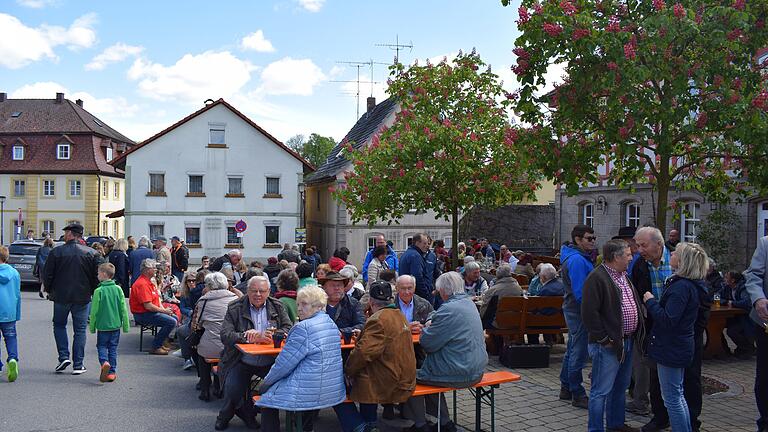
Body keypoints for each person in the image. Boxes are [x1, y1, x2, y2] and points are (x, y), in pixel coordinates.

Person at [635, 228, 710, 432]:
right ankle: (663, 419)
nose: (639, 249)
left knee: (677, 394)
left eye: (643, 245)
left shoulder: (682, 286)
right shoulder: (642, 265)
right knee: (671, 391)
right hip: (665, 337)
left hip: (675, 340)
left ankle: (689, 424)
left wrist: (650, 302)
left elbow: (669, 318)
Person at [256, 285, 354, 432]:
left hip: (310, 389)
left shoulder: (303, 328)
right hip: (331, 388)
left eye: (304, 304)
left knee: (267, 398)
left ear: (318, 306)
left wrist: (267, 382)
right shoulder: (331, 324)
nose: (299, 309)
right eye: (298, 304)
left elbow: (284, 364)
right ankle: (306, 428)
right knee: (302, 388)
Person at [403, 272, 488, 432]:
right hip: (476, 368)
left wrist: (426, 328)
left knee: (408, 377)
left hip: (460, 371)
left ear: (444, 290)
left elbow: (428, 344)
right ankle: (445, 422)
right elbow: (443, 317)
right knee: (430, 373)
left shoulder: (449, 309)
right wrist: (432, 320)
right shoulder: (467, 303)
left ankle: (421, 425)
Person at [581, 240, 643, 432]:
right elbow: (589, 313)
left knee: (620, 387)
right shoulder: (597, 278)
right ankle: (596, 429)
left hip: (626, 341)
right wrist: (603, 339)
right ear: (616, 257)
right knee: (601, 391)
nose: (631, 257)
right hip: (608, 345)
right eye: (628, 254)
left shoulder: (623, 275)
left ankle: (616, 425)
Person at [216, 276, 292, 431]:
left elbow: (288, 329)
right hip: (240, 360)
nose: (258, 294)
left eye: (262, 291)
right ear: (247, 291)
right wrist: (247, 336)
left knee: (275, 388)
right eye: (254, 290)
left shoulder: (277, 305)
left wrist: (272, 335)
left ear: (269, 291)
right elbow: (225, 335)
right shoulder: (235, 307)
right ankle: (225, 416)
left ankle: (266, 422)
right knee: (233, 390)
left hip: (270, 360)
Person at [346, 281, 417, 431]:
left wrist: (348, 371)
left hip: (393, 381)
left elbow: (363, 354)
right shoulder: (399, 315)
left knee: (360, 378)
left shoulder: (378, 319)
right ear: (390, 299)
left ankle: (369, 425)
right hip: (405, 377)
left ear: (371, 301)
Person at [43, 223, 99, 375]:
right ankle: (78, 364)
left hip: (61, 295)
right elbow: (96, 277)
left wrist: (49, 290)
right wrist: (92, 291)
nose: (65, 235)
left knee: (59, 325)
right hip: (82, 296)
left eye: (66, 232)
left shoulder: (56, 252)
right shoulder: (91, 253)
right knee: (80, 330)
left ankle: (63, 357)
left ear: (71, 234)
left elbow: (47, 274)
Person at [559, 224, 596, 408]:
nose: (593, 242)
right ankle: (577, 392)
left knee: (573, 349)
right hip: (579, 311)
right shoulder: (577, 261)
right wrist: (593, 312)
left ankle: (566, 386)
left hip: (573, 309)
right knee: (578, 353)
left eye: (593, 238)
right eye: (589, 238)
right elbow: (581, 292)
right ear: (578, 239)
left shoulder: (577, 257)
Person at [194, 272, 237, 402]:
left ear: (209, 286)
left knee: (201, 351)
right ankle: (219, 385)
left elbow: (199, 323)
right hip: (230, 344)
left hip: (211, 344)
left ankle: (205, 387)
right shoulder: (235, 299)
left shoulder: (204, 301)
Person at [88, 263, 130, 383]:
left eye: (98, 273)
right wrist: (125, 325)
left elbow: (94, 310)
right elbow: (123, 308)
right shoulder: (118, 289)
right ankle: (112, 372)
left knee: (101, 346)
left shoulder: (98, 291)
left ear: (104, 274)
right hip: (116, 324)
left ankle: (104, 362)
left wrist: (92, 326)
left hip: (102, 325)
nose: (97, 275)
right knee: (113, 348)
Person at [129, 258, 178, 355]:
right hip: (143, 314)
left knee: (174, 317)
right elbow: (148, 306)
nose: (156, 270)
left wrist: (164, 310)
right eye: (154, 268)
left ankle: (161, 342)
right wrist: (164, 311)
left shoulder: (148, 281)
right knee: (171, 321)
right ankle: (156, 346)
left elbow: (156, 299)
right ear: (147, 270)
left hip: (149, 312)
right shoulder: (142, 284)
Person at [745, 235, 768, 432]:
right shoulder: (766, 243)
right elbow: (752, 276)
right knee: (765, 376)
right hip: (766, 323)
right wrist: (758, 299)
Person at [722, 271, 755, 358]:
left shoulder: (744, 288)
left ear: (732, 280)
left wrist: (732, 303)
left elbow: (747, 303)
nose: (724, 279)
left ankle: (747, 348)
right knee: (717, 326)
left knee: (732, 331)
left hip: (746, 317)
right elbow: (717, 296)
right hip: (734, 316)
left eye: (726, 277)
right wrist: (725, 301)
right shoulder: (727, 287)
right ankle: (723, 348)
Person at [0, 246, 21, 382]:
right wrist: (17, 313)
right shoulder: (14, 273)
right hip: (9, 311)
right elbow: (17, 294)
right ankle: (12, 358)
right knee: (10, 337)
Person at [400, 233, 433, 303]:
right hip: (418, 296)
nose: (427, 246)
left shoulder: (407, 253)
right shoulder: (415, 256)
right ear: (417, 243)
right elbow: (417, 277)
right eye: (424, 243)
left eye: (427, 244)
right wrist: (426, 294)